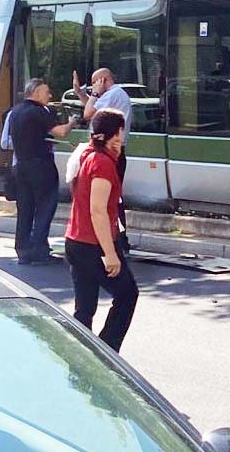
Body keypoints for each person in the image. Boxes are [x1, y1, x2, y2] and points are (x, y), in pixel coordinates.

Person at [64, 108, 138, 352]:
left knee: (84, 308)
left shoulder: (85, 153)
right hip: (93, 243)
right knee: (127, 295)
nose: (123, 135)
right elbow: (98, 211)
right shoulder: (102, 164)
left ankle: (80, 355)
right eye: (121, 130)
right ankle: (107, 352)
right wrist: (111, 254)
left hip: (75, 240)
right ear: (114, 134)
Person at [10, 79, 76, 264]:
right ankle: (40, 249)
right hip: (40, 165)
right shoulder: (38, 111)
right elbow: (60, 132)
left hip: (21, 165)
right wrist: (71, 123)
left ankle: (23, 249)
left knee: (25, 209)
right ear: (37, 92)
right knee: (45, 207)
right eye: (47, 92)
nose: (50, 96)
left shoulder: (16, 111)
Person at [72, 68, 133, 247]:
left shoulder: (113, 94)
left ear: (103, 80)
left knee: (108, 198)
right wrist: (81, 94)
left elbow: (88, 114)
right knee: (112, 197)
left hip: (109, 152)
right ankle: (116, 238)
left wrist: (95, 93)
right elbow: (93, 108)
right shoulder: (116, 94)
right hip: (115, 152)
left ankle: (116, 239)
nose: (93, 88)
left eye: (94, 83)